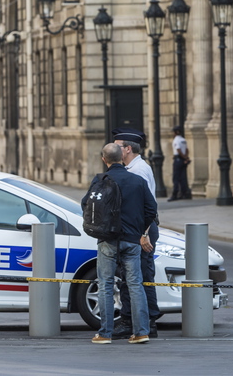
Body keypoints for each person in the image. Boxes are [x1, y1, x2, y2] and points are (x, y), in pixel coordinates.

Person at [82, 142, 157, 345]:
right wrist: (140, 230)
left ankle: (105, 333)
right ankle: (141, 331)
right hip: (132, 239)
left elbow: (86, 205)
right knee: (135, 284)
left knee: (105, 284)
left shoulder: (99, 180)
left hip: (107, 239)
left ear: (103, 159)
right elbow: (151, 209)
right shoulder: (137, 181)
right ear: (122, 158)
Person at [111, 128, 161, 339]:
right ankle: (136, 320)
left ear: (128, 148)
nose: (114, 149)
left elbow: (147, 207)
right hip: (139, 228)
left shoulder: (138, 170)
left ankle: (145, 321)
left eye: (118, 146)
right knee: (133, 276)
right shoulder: (134, 167)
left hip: (142, 229)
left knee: (140, 276)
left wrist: (144, 234)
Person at [168, 125, 191, 201]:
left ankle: (175, 194)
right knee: (183, 177)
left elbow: (178, 149)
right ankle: (184, 193)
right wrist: (186, 157)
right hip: (183, 160)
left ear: (176, 132)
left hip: (178, 159)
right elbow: (187, 150)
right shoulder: (183, 139)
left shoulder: (176, 140)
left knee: (176, 177)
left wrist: (183, 157)